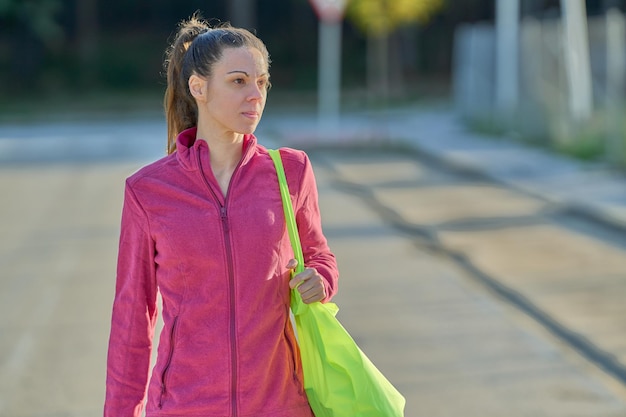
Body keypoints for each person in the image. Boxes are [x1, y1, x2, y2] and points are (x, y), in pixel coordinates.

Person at [103, 14, 339, 417]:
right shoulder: (148, 192)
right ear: (199, 88)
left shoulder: (290, 172)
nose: (255, 94)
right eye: (238, 81)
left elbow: (319, 256)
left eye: (261, 81)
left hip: (280, 404)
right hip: (184, 405)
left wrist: (321, 279)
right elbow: (133, 317)